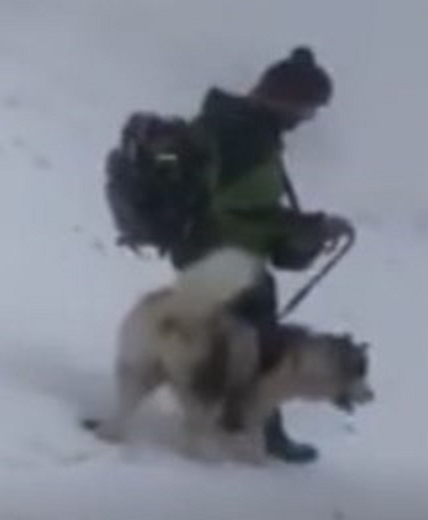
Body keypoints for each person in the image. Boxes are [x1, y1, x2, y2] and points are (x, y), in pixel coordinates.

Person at [108, 46, 351, 464]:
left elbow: (248, 207)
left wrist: (306, 225)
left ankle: (217, 416)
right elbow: (237, 212)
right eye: (307, 108)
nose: (305, 119)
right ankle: (245, 429)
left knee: (218, 340)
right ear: (287, 99)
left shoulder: (237, 125)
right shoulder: (244, 137)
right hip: (220, 256)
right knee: (249, 346)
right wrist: (307, 228)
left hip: (210, 252)